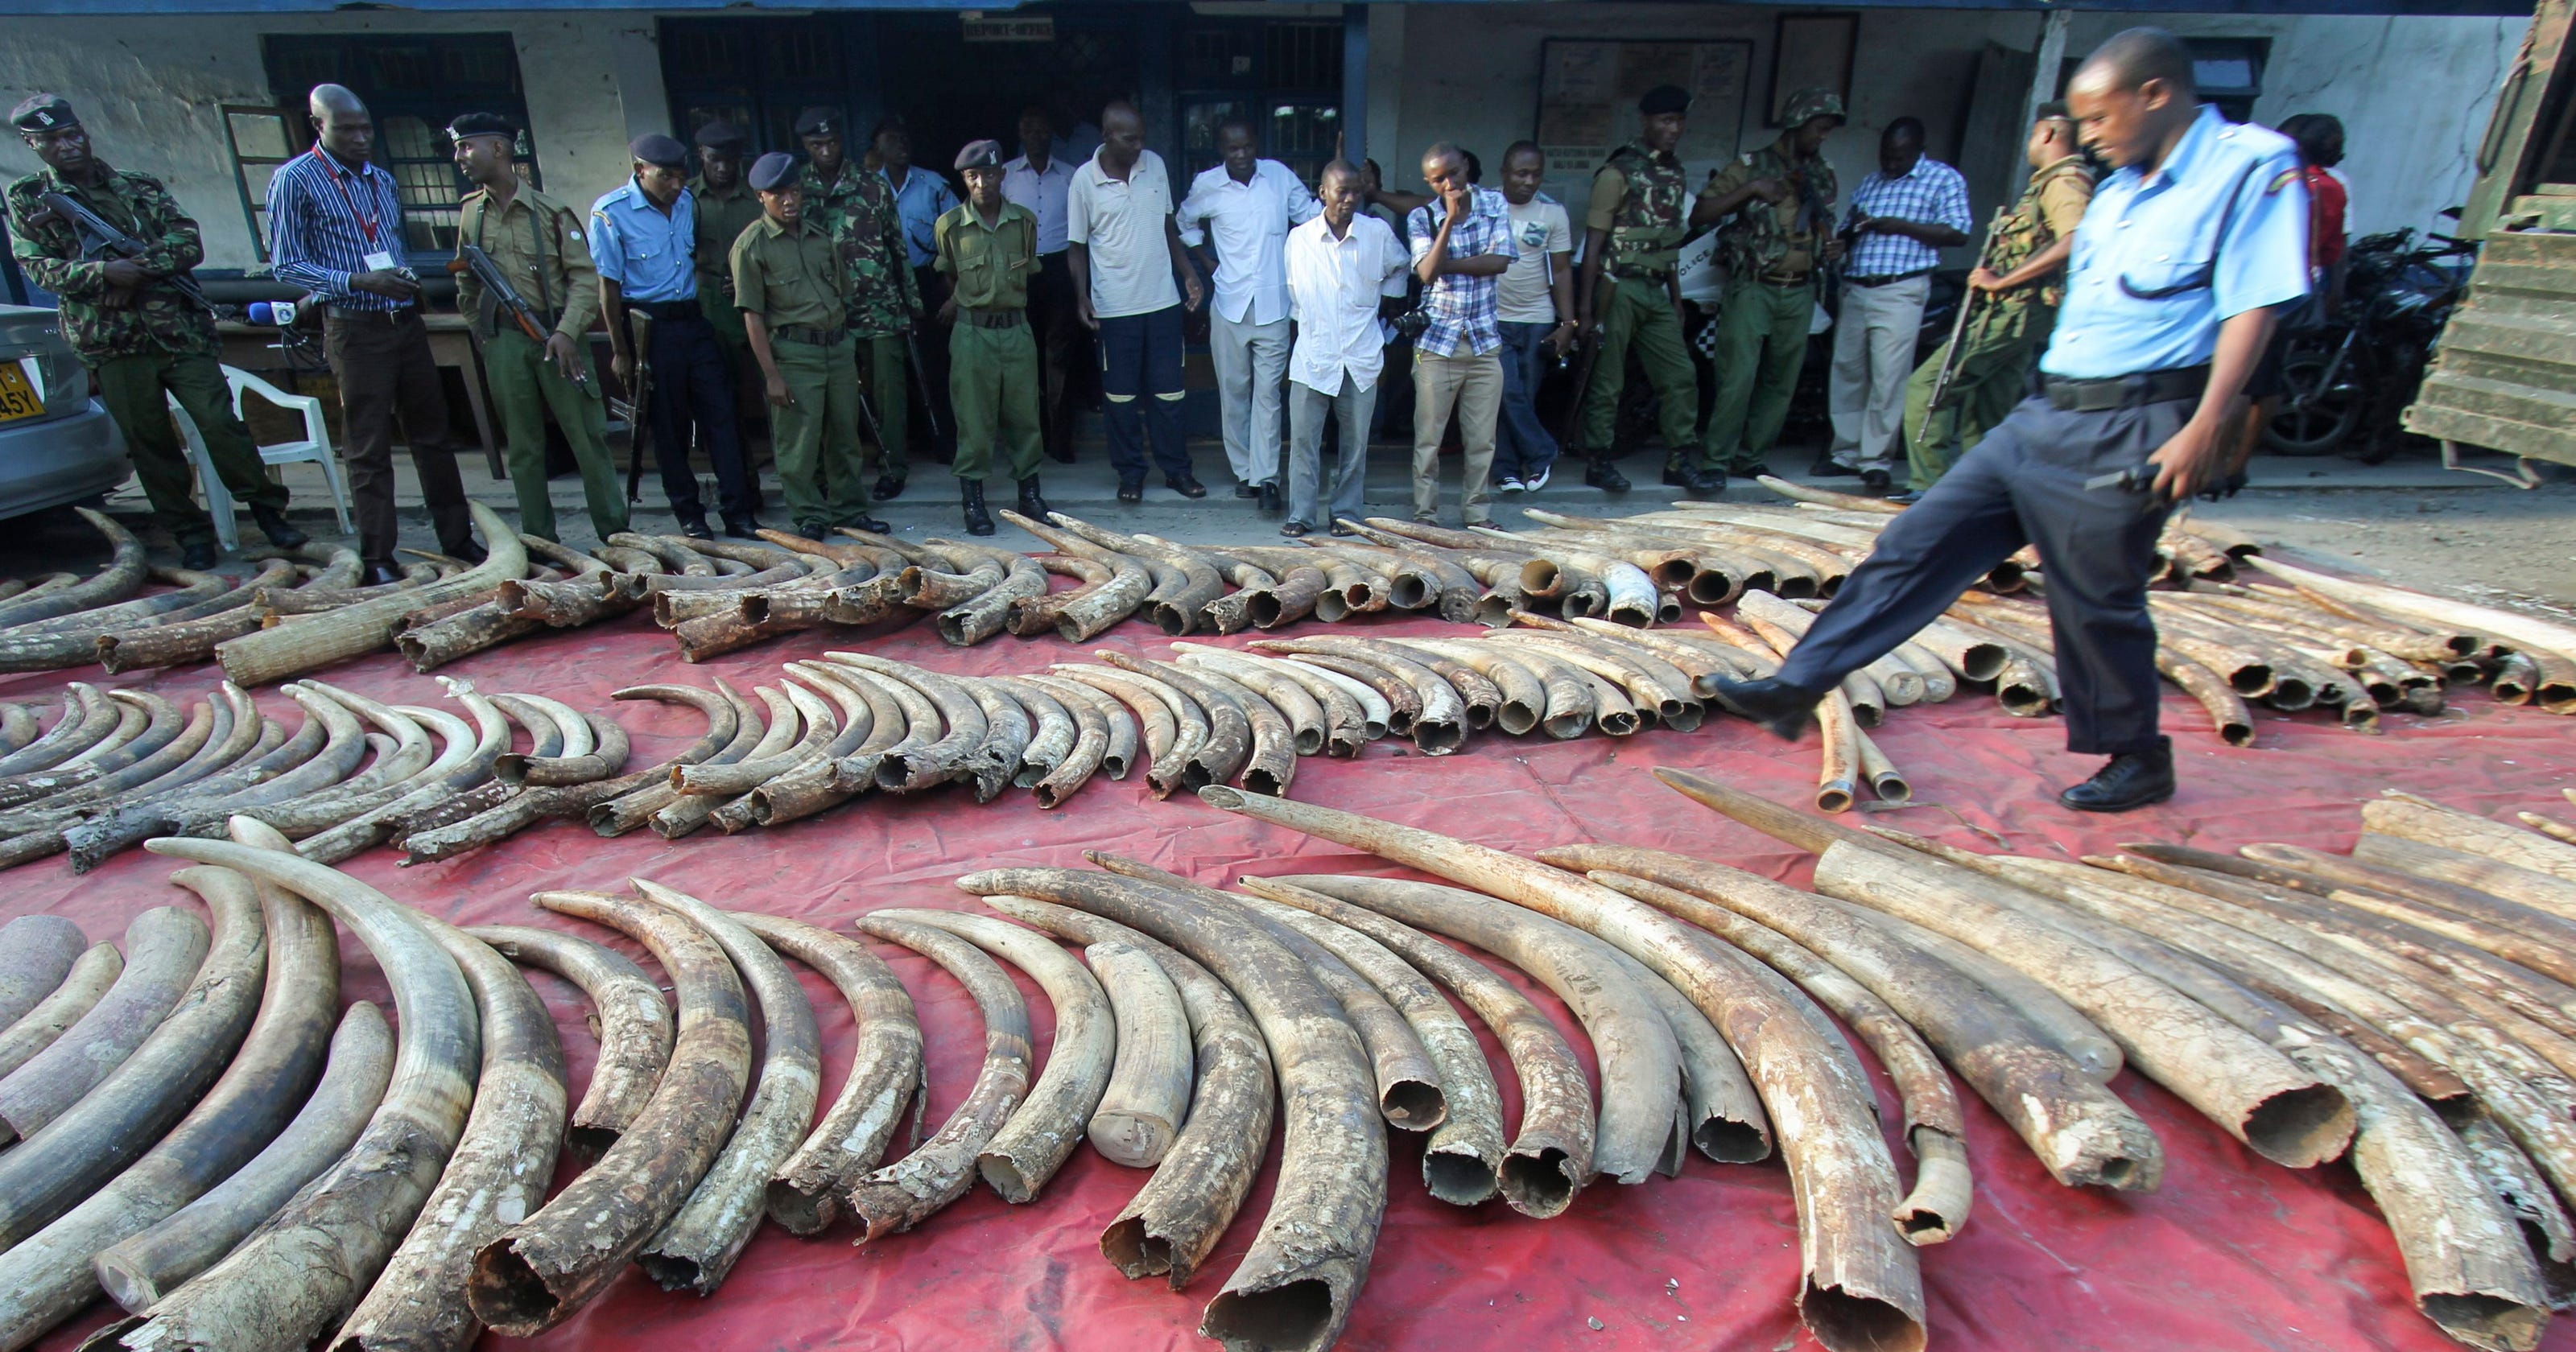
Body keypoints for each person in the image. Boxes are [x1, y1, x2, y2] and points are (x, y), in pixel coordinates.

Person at [1711, 28, 2310, 813]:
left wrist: (2204, 428)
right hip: (2047, 407)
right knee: (1915, 542)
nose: (2086, 139)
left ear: (2154, 94)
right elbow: (2077, 260)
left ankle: (2137, 755)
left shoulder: (2249, 168)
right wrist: (2006, 279)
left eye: (2097, 119)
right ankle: (1798, 685)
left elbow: (2253, 305)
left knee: (2092, 595)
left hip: (2138, 416)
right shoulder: (2123, 186)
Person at [7, 93, 305, 571]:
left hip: (179, 331)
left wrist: (136, 268)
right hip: (111, 340)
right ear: (32, 144)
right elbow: (40, 268)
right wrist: (105, 274)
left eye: (71, 134)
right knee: (151, 443)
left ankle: (270, 514)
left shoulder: (138, 186)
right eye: (50, 140)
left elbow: (187, 240)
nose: (66, 146)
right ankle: (191, 535)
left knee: (220, 424)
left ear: (83, 131)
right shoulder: (29, 197)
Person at [270, 84, 482, 581]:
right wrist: (353, 281)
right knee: (369, 445)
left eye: (366, 127)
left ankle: (457, 539)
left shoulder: (382, 180)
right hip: (353, 327)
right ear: (317, 125)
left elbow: (385, 244)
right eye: (347, 129)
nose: (362, 137)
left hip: (402, 322)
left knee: (433, 436)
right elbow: (285, 263)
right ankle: (378, 556)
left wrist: (402, 279)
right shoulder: (295, 181)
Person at [1897, 104, 2095, 501]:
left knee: (1929, 387)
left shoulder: (2064, 181)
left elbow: (2076, 240)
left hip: (2015, 309)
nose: (2029, 144)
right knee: (1988, 407)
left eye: (2033, 134)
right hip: (2019, 311)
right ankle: (1988, 490)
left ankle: (1930, 488)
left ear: (2049, 135)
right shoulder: (2048, 183)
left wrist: (2002, 280)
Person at [448, 112, 625, 544]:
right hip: (506, 342)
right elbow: (465, 279)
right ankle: (539, 541)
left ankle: (617, 537)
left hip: (558, 337)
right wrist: (484, 334)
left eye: (467, 147)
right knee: (525, 451)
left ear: (499, 149)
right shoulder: (471, 214)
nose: (459, 157)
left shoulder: (551, 213)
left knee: (588, 441)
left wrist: (566, 332)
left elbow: (585, 279)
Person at [592, 133, 758, 540]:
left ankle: (739, 513)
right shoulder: (610, 213)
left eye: (681, 177)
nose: (676, 186)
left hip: (694, 321)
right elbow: (609, 289)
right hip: (650, 328)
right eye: (665, 177)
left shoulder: (686, 203)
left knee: (721, 415)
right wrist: (620, 351)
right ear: (640, 171)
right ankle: (690, 514)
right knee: (670, 427)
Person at [1693, 86, 1847, 486]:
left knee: (1781, 381)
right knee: (1737, 378)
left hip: (1799, 290)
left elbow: (1822, 223)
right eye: (1819, 128)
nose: (1823, 136)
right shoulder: (1751, 165)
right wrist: (1751, 189)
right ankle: (1716, 460)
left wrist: (1830, 244)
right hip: (1753, 287)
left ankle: (1752, 457)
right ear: (1797, 123)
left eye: (1828, 130)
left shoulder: (1821, 173)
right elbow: (1701, 213)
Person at [732, 151, 887, 539]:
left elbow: (842, 298)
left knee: (845, 436)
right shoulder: (752, 246)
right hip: (793, 354)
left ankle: (849, 509)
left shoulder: (820, 238)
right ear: (761, 198)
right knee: (798, 443)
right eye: (778, 194)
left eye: (795, 192)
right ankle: (809, 515)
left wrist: (850, 349)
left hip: (836, 349)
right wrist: (771, 375)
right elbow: (752, 316)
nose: (789, 201)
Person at [1178, 119, 1321, 514]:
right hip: (1230, 302)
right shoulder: (1208, 184)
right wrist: (1207, 262)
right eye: (1232, 149)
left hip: (1275, 305)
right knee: (1235, 391)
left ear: (1255, 143)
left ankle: (1267, 477)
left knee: (1269, 394)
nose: (1240, 155)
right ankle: (1244, 471)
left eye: (1246, 147)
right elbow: (1184, 221)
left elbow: (1311, 218)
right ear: (1222, 150)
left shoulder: (1278, 177)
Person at [1067, 101, 1205, 502]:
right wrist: (1082, 295)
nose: (1139, 145)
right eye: (1131, 139)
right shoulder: (1083, 181)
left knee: (1169, 394)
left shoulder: (1154, 165)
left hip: (1162, 303)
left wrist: (1189, 273)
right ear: (1107, 137)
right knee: (1121, 399)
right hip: (1115, 309)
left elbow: (1167, 226)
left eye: (1143, 137)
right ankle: (1130, 474)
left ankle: (1177, 471)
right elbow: (1076, 247)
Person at [1827, 117, 1972, 492]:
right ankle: (1844, 453)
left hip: (1901, 290)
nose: (1890, 164)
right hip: (1858, 287)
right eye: (1886, 156)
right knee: (1848, 372)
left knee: (1887, 376)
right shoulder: (1871, 183)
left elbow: (1958, 232)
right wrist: (1843, 243)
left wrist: (1900, 225)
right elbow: (1852, 228)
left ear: (1918, 150)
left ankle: (1874, 460)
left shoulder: (1943, 180)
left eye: (1900, 157)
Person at [1574, 84, 1698, 493]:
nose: (1673, 128)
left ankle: (1679, 458)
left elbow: (1670, 242)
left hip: (1656, 290)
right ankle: (1599, 458)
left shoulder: (1675, 173)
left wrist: (1677, 299)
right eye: (1665, 120)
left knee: (1680, 375)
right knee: (1608, 379)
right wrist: (1586, 311)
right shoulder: (1617, 173)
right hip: (1617, 288)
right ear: (1646, 121)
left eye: (1679, 120)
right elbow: (1593, 244)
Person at [1281, 159, 1410, 538]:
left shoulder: (1377, 234)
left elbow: (1401, 266)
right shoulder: (1300, 238)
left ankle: (1346, 514)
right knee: (1304, 443)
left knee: (1355, 447)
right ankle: (1301, 515)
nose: (1351, 198)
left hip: (1361, 354)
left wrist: (1389, 298)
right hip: (1313, 356)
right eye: (1342, 191)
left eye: (1357, 190)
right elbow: (1294, 293)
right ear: (1323, 193)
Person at [798, 106, 921, 502]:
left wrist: (910, 302)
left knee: (889, 394)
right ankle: (834, 474)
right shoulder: (796, 191)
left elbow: (897, 247)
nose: (826, 150)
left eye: (832, 142)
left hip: (880, 306)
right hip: (825, 313)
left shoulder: (873, 186)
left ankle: (892, 466)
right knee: (834, 400)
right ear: (805, 146)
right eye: (817, 144)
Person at [935, 140, 1048, 536]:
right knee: (974, 419)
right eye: (972, 176)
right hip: (973, 334)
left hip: (1016, 329)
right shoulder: (949, 226)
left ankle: (1029, 494)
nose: (982, 182)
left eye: (989, 174)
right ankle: (973, 500)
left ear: (1003, 175)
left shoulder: (1024, 222)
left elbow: (1031, 268)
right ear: (965, 180)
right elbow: (949, 272)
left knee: (1024, 415)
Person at [1404, 142, 1517, 526]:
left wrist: (1447, 263)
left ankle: (1477, 513)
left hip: (1484, 343)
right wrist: (1449, 221)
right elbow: (1427, 273)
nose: (1449, 183)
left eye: (1454, 173)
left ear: (1466, 166)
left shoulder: (1495, 205)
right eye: (1438, 179)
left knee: (1482, 440)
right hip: (1437, 345)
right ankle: (1425, 513)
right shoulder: (1422, 217)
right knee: (1429, 440)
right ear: (1428, 182)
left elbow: (1499, 262)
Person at [1490, 142, 1576, 494]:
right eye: (1520, 173)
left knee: (1523, 394)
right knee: (1505, 391)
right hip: (1492, 317)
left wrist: (1568, 324)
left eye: (1535, 174)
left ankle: (1508, 470)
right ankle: (1542, 452)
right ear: (1504, 173)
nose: (1528, 181)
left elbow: (1562, 269)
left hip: (1537, 317)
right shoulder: (1486, 205)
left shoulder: (1553, 214)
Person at [1002, 108, 1084, 465]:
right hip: (1018, 270)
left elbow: (1083, 233)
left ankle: (1061, 439)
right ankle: (1030, 438)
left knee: (1060, 357)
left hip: (1059, 268)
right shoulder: (1004, 176)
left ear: (1052, 133)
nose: (1035, 135)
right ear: (1020, 132)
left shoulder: (1070, 176)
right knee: (1023, 358)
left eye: (1041, 129)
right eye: (1028, 128)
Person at [877, 118, 960, 464]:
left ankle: (946, 441)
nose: (902, 144)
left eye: (905, 138)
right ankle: (906, 445)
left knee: (937, 366)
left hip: (930, 280)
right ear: (876, 148)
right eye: (893, 139)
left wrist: (951, 288)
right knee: (892, 371)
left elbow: (959, 236)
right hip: (882, 285)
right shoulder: (867, 188)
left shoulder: (932, 185)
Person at [689, 122, 762, 421]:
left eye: (729, 161)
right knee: (718, 385)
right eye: (714, 160)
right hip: (709, 302)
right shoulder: (687, 198)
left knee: (772, 377)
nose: (722, 168)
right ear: (701, 155)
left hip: (757, 300)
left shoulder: (757, 197)